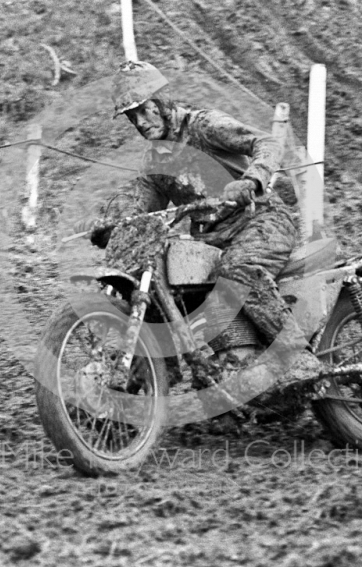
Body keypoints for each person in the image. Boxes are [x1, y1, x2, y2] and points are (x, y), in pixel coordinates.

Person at [87, 61, 321, 404]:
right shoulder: (154, 163)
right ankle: (137, 396)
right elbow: (142, 213)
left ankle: (298, 358)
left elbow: (267, 143)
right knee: (163, 286)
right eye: (130, 116)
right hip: (211, 240)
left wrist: (251, 179)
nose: (139, 121)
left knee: (238, 270)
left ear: (162, 100)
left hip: (261, 220)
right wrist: (112, 228)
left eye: (143, 109)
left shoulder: (204, 126)